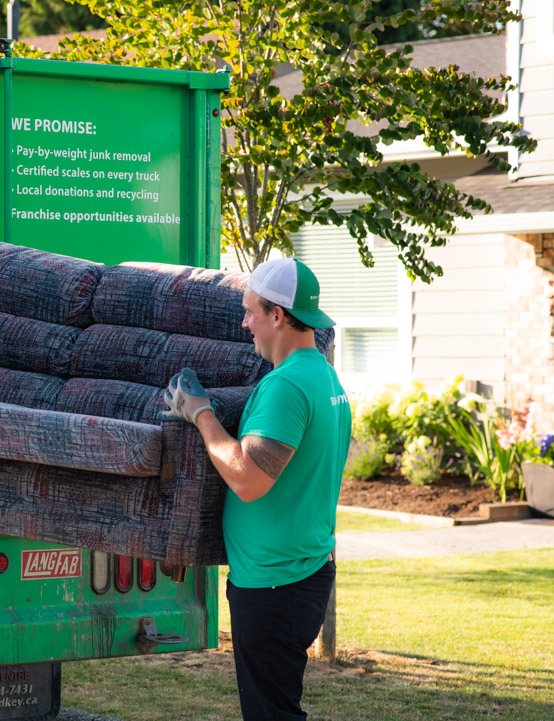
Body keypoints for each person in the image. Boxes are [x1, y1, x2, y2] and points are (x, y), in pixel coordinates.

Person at [161, 257, 351, 721]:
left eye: (250, 312)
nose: (245, 324)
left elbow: (247, 479)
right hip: (295, 575)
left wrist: (201, 414)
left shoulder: (286, 387)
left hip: (275, 587)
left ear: (278, 316)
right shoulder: (325, 377)